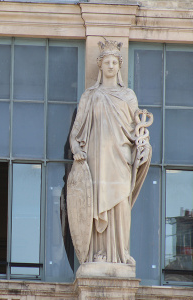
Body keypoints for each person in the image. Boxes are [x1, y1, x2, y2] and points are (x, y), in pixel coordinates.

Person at [69, 40, 152, 264]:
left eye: (115, 61)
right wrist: (76, 149)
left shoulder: (128, 96)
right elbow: (75, 133)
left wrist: (144, 147)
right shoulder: (90, 95)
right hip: (97, 159)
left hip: (122, 157)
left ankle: (121, 253)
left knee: (121, 204)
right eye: (107, 61)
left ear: (119, 65)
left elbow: (138, 131)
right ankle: (100, 253)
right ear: (100, 65)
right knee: (99, 203)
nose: (111, 65)